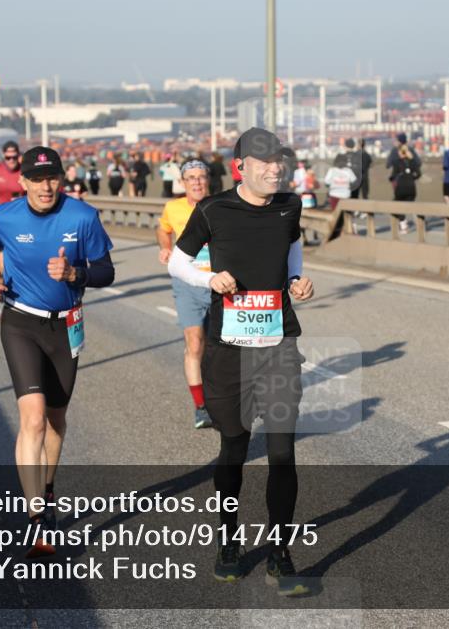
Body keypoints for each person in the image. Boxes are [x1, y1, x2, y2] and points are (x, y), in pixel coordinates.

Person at [168, 127, 314, 596]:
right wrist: (209, 280)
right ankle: (228, 540)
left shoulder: (290, 205)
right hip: (228, 348)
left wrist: (297, 280)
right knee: (234, 446)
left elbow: (293, 247)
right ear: (241, 168)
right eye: (266, 162)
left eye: (280, 161)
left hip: (278, 344)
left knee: (282, 452)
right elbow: (177, 261)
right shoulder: (213, 210)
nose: (276, 168)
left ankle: (279, 552)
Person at [0, 146, 115, 557]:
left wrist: (75, 273)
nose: (46, 186)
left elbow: (106, 271)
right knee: (32, 419)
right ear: (23, 182)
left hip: (66, 324)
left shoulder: (82, 216)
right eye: (37, 179)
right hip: (20, 321)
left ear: (61, 177)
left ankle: (47, 487)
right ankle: (38, 517)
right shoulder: (4, 216)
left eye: (52, 177)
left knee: (55, 420)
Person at [157, 160, 214, 429]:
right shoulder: (173, 207)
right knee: (194, 343)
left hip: (218, 283)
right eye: (191, 177)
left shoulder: (221, 206)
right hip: (186, 283)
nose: (197, 182)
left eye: (201, 177)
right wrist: (166, 247)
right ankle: (201, 406)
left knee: (222, 347)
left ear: (208, 180)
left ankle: (226, 397)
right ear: (183, 182)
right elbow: (163, 228)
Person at [390, 142, 421, 233]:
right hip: (411, 187)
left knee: (396, 205)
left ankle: (403, 225)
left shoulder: (397, 162)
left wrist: (393, 179)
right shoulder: (412, 161)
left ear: (400, 152)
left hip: (401, 188)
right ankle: (419, 219)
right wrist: (411, 178)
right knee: (411, 204)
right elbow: (418, 174)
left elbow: (393, 175)